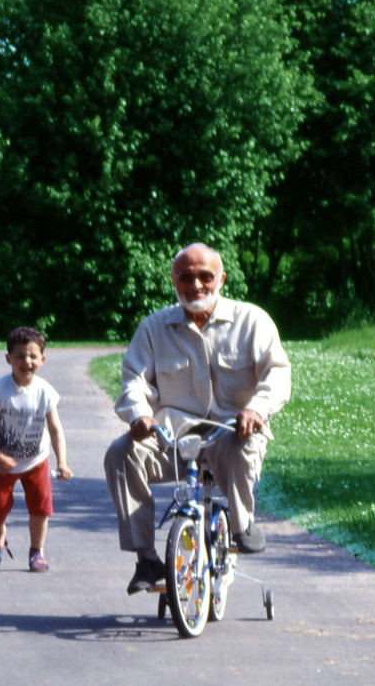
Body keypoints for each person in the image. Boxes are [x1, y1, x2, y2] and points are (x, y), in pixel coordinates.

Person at [104, 243, 291, 594]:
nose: (196, 286)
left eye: (205, 277)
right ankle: (145, 557)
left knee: (239, 447)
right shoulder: (154, 328)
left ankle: (242, 524)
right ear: (174, 281)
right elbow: (134, 379)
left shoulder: (252, 321)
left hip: (232, 431)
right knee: (121, 452)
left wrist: (256, 410)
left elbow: (277, 374)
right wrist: (139, 413)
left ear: (221, 279)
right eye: (186, 278)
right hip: (175, 436)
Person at [0, 326, 71, 572]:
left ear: (42, 359)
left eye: (33, 356)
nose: (26, 362)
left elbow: (55, 430)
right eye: (20, 356)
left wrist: (61, 462)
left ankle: (36, 551)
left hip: (36, 462)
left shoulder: (45, 392)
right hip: (3, 464)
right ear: (8, 358)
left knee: (41, 508)